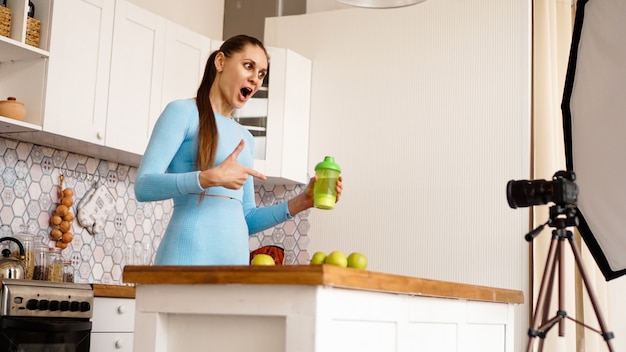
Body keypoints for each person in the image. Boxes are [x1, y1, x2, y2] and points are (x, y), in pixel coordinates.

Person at [134, 35, 343, 265]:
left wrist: (302, 201)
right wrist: (206, 178)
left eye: (261, 74)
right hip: (185, 260)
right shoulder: (182, 112)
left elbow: (246, 218)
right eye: (248, 66)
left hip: (235, 267)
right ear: (221, 62)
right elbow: (143, 186)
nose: (255, 79)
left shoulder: (246, 138)